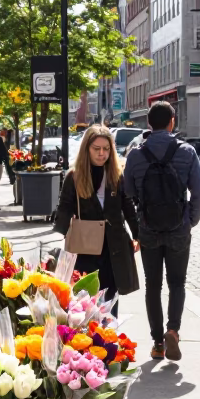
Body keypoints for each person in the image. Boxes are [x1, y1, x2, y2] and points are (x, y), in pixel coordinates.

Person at [122, 101, 200, 362]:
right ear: (172, 121)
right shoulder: (187, 152)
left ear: (149, 123)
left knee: (153, 286)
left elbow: (129, 192)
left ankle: (158, 343)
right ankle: (173, 330)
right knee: (177, 283)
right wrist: (189, 220)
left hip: (148, 227)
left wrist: (141, 215)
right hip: (178, 227)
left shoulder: (136, 155)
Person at [55, 125, 140, 311]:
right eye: (97, 149)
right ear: (87, 149)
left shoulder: (116, 175)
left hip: (114, 247)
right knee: (85, 303)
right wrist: (60, 238)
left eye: (106, 149)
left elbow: (128, 206)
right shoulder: (74, 176)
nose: (102, 154)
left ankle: (111, 338)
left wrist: (137, 234)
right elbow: (64, 208)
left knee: (110, 302)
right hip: (86, 248)